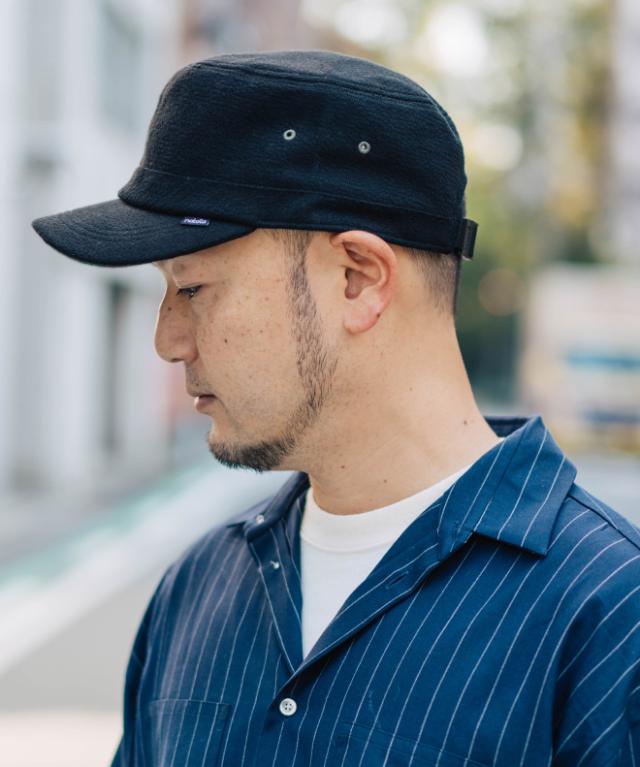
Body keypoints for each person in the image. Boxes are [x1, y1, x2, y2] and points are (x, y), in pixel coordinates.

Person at [32, 50, 640, 767]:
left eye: (192, 288)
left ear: (357, 279)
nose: (167, 340)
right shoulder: (197, 587)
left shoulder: (608, 615)